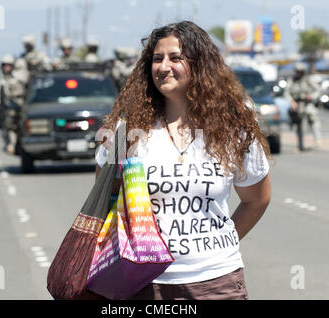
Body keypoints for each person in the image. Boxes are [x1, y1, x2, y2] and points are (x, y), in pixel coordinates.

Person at [95, 21, 272, 300]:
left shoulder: (234, 130)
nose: (164, 66)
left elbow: (256, 199)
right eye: (157, 59)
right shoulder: (126, 132)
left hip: (217, 282)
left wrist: (217, 246)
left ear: (200, 65)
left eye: (176, 58)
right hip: (144, 282)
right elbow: (105, 200)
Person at [0, 54, 27, 154]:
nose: (6, 68)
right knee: (8, 127)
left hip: (22, 107)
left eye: (9, 65)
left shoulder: (19, 76)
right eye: (4, 65)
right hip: (8, 108)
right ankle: (11, 145)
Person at [284, 62, 322, 151]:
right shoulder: (292, 80)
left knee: (313, 116)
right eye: (297, 71)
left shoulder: (308, 80)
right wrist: (292, 102)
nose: (299, 73)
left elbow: (318, 90)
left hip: (307, 103)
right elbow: (286, 92)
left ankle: (318, 140)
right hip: (297, 105)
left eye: (300, 71)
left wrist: (312, 96)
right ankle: (300, 145)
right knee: (298, 124)